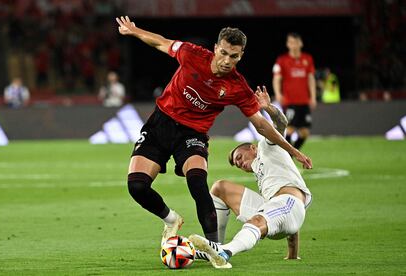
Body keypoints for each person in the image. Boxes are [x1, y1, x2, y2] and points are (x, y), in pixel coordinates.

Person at [115, 16, 312, 246]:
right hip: (161, 124)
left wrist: (293, 151)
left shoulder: (237, 87)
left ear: (241, 56)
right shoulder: (192, 54)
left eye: (234, 56)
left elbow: (260, 124)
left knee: (198, 185)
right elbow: (161, 42)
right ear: (216, 48)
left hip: (192, 135)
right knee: (137, 186)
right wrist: (135, 30)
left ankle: (214, 249)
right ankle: (171, 220)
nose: (227, 60)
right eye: (224, 53)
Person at [189, 87, 312, 268]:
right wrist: (293, 255)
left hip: (289, 205)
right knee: (219, 187)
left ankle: (225, 252)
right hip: (277, 208)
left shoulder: (268, 145)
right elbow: (284, 214)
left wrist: (268, 107)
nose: (240, 163)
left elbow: (281, 122)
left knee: (263, 216)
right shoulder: (264, 179)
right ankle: (215, 246)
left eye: (239, 157)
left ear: (252, 148)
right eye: (237, 164)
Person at [272, 32, 316, 150]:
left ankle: (292, 154)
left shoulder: (307, 59)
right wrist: (278, 93)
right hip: (289, 101)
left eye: (295, 42)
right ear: (287, 44)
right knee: (290, 129)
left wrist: (313, 96)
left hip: (304, 101)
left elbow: (311, 79)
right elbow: (277, 78)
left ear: (300, 43)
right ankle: (288, 156)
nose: (293, 45)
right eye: (291, 42)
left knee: (305, 132)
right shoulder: (282, 60)